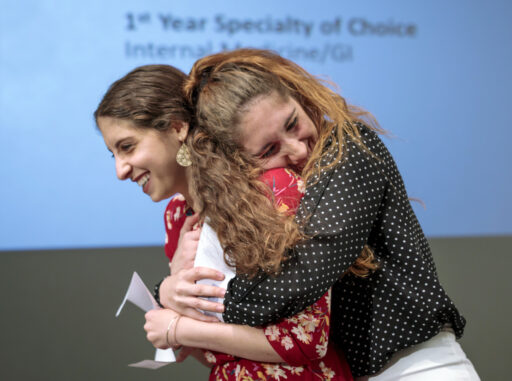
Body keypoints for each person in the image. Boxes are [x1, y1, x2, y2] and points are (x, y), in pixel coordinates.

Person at [157, 48, 479, 379]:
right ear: (237, 161)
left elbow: (300, 277)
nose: (297, 148)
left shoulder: (348, 147)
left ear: (298, 94)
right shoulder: (274, 190)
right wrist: (171, 291)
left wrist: (182, 310)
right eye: (269, 150)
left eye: (293, 123)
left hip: (419, 367)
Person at [94, 65, 354, 380]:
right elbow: (214, 355)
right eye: (113, 155)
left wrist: (177, 327)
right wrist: (171, 290)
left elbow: (305, 342)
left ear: (177, 127)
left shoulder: (272, 189)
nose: (120, 170)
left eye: (127, 147)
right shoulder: (177, 215)